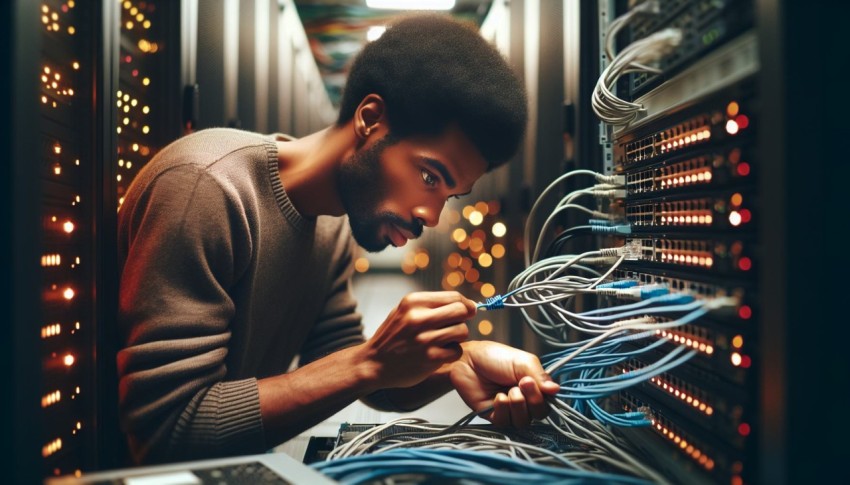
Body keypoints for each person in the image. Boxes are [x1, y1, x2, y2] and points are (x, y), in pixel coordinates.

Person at [117, 13, 560, 465]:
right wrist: (370, 361)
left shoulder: (330, 226)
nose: (431, 214)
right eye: (429, 176)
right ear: (370, 119)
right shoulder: (208, 187)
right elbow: (166, 432)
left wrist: (455, 362)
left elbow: (350, 368)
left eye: (450, 194)